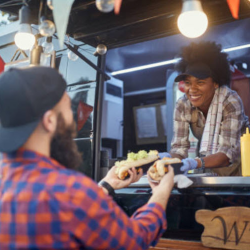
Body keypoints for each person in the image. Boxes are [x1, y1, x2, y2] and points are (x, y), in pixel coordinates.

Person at [0, 67, 174, 250]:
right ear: (50, 121)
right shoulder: (71, 191)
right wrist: (161, 193)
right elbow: (135, 241)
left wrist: (107, 185)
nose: (73, 119)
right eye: (68, 108)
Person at [161, 41, 249, 176]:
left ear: (215, 83)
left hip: (243, 165)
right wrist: (164, 159)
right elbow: (179, 150)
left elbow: (227, 154)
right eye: (188, 83)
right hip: (212, 166)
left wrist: (193, 163)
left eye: (200, 82)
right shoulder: (183, 105)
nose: (192, 89)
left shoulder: (230, 101)